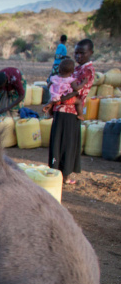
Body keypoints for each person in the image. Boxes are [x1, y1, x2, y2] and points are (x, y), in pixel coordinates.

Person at [48, 38, 95, 185]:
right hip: (61, 109)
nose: (79, 56)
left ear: (91, 53)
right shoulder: (75, 67)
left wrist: (59, 98)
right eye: (76, 53)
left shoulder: (87, 71)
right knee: (59, 142)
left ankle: (64, 175)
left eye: (82, 53)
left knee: (66, 144)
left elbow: (80, 92)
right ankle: (56, 173)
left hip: (70, 111)